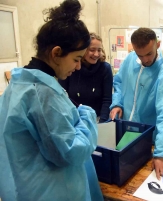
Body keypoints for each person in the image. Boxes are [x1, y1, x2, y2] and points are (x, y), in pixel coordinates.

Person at [0, 1, 103, 200]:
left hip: (24, 186)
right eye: (76, 59)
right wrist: (87, 115)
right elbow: (70, 152)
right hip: (52, 190)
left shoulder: (19, 83)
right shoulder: (43, 94)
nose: (79, 67)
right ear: (56, 53)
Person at [109, 27, 163, 179]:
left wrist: (162, 153)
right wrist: (117, 103)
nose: (145, 59)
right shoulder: (131, 59)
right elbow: (118, 82)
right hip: (125, 132)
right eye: (140, 55)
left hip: (147, 139)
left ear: (157, 45)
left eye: (149, 54)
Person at [59, 33, 113, 123]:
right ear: (83, 50)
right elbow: (63, 96)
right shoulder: (71, 67)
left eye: (99, 50)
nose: (96, 54)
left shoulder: (105, 69)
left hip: (98, 119)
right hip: (74, 119)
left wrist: (102, 123)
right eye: (92, 50)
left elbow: (107, 99)